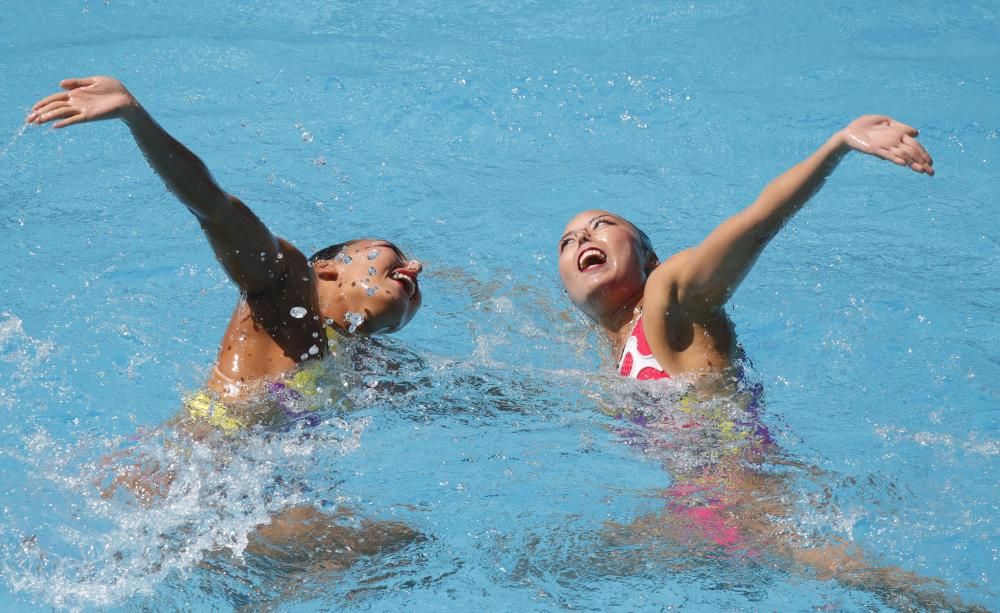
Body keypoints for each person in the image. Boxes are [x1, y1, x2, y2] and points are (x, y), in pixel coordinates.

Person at [555, 117, 984, 610]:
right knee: (549, 567)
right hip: (687, 512)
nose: (582, 239)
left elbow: (754, 227)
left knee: (891, 589)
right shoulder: (609, 339)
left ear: (649, 257)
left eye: (601, 225)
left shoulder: (668, 300)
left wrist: (837, 147)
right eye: (566, 242)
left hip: (746, 506)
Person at [27, 76, 426, 571]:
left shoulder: (369, 366)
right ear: (328, 269)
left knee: (385, 543)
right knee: (375, 544)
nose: (415, 268)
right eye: (393, 254)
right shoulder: (285, 292)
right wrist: (136, 118)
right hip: (174, 478)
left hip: (244, 498)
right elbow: (213, 208)